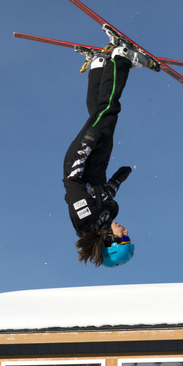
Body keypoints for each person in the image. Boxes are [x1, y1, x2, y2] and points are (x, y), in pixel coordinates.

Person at [63, 39, 156, 267]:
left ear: (111, 243)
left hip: (83, 159)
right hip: (98, 164)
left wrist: (86, 145)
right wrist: (116, 182)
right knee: (100, 111)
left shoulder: (85, 221)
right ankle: (99, 64)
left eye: (124, 238)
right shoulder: (105, 218)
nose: (126, 231)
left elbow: (74, 183)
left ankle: (122, 57)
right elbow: (100, 195)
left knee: (109, 109)